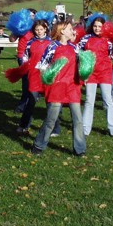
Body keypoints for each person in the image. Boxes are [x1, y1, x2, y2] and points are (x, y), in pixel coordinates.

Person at [32, 20, 86, 156]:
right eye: (69, 29)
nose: (72, 31)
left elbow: (83, 65)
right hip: (57, 88)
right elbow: (42, 66)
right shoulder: (52, 47)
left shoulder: (74, 48)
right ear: (62, 31)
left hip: (73, 87)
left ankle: (79, 149)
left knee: (78, 120)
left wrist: (85, 73)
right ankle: (39, 145)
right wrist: (47, 78)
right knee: (51, 120)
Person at [77, 16, 113, 137]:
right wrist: (83, 73)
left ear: (104, 27)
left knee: (107, 99)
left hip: (105, 72)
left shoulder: (109, 40)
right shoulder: (85, 39)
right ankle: (85, 129)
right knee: (89, 100)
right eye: (95, 26)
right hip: (91, 73)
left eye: (100, 26)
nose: (97, 28)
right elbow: (78, 54)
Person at [16, 19, 57, 135]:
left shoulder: (52, 43)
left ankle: (54, 127)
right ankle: (24, 125)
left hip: (47, 75)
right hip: (33, 76)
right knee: (31, 101)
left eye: (41, 29)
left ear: (45, 29)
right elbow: (25, 57)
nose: (39, 32)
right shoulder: (30, 43)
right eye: (37, 30)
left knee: (51, 102)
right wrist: (25, 65)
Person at [8, 8, 36, 113]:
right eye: (30, 15)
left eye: (33, 15)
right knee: (26, 81)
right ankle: (22, 106)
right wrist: (16, 29)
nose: (32, 17)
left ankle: (30, 102)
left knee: (33, 80)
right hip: (23, 57)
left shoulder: (37, 27)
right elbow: (11, 39)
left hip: (35, 56)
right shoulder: (22, 26)